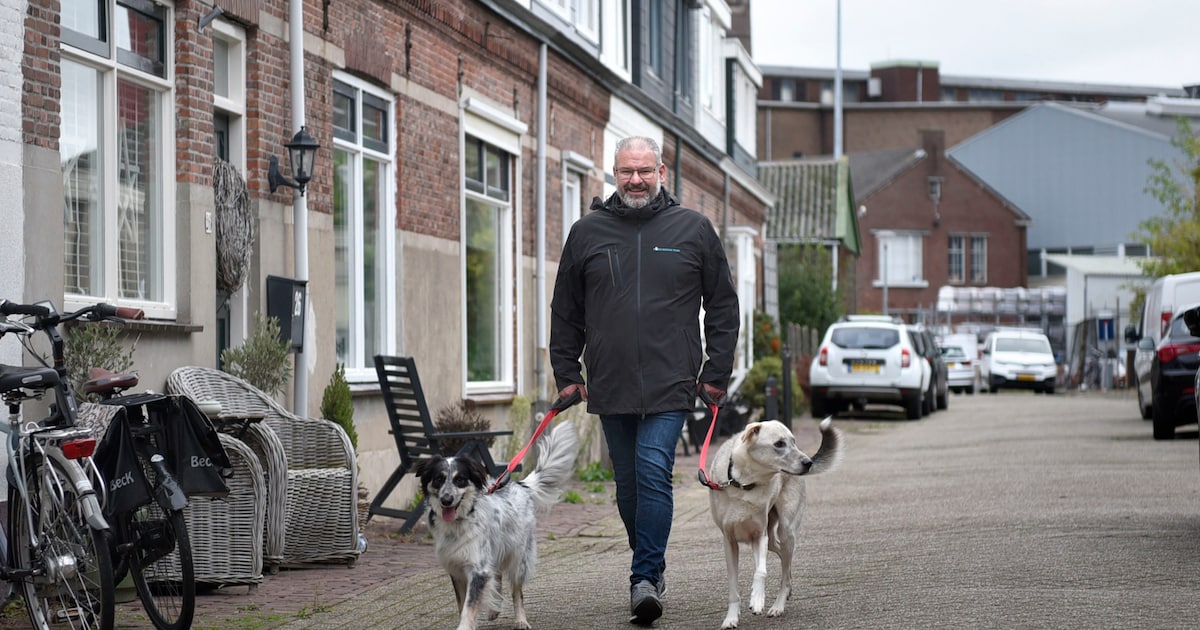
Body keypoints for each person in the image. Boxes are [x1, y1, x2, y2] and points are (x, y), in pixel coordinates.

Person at [549, 136, 740, 625]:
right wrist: (567, 373)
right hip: (610, 380)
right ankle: (651, 565)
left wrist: (716, 372)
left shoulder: (693, 229)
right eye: (626, 172)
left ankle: (644, 578)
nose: (636, 180)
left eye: (644, 171)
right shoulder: (586, 233)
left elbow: (722, 305)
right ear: (614, 173)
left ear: (661, 172)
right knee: (629, 486)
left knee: (653, 470)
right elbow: (565, 310)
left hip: (670, 379)